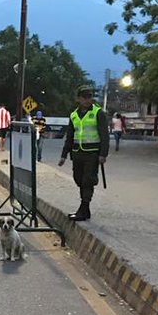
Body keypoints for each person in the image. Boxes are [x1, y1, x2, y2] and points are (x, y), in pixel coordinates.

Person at [58, 87, 110, 222]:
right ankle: (85, 210)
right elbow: (70, 136)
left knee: (88, 180)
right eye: (84, 97)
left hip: (92, 154)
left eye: (90, 97)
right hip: (77, 153)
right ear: (78, 99)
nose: (88, 100)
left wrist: (103, 154)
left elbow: (105, 135)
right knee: (78, 179)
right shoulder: (73, 115)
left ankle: (83, 207)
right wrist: (64, 154)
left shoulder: (98, 113)